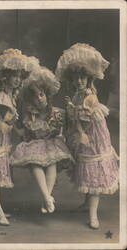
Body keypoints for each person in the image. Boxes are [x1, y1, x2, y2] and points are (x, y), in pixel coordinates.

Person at [55, 43, 119, 229]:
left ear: (89, 78)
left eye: (82, 77)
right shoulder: (77, 94)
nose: (79, 81)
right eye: (75, 79)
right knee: (85, 168)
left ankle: (93, 215)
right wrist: (70, 109)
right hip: (82, 135)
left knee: (93, 170)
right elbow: (75, 116)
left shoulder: (89, 96)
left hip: (92, 138)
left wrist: (79, 129)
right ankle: (86, 204)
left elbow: (85, 119)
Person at [0, 48, 40, 225]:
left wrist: (20, 130)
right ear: (6, 77)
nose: (18, 79)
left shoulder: (10, 96)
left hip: (0, 139)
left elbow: (6, 124)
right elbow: (0, 124)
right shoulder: (1, 97)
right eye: (14, 76)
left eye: (20, 76)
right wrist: (12, 126)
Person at [10, 66, 74, 213]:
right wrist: (14, 124)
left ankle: (47, 198)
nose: (39, 99)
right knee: (34, 164)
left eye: (41, 95)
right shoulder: (30, 114)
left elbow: (64, 129)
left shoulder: (57, 113)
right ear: (31, 100)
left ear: (47, 95)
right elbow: (23, 132)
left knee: (52, 163)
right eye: (35, 97)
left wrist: (62, 132)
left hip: (51, 143)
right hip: (35, 145)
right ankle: (47, 198)